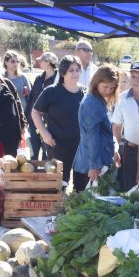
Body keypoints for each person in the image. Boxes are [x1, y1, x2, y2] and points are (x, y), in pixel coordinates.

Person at [32, 56, 87, 190]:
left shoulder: (85, 92)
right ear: (63, 72)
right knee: (58, 184)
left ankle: (77, 209)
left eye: (77, 70)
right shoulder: (51, 91)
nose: (75, 74)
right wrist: (44, 134)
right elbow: (35, 112)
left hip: (81, 146)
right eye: (71, 70)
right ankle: (57, 210)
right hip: (58, 145)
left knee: (81, 186)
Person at [111, 61, 139, 191]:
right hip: (129, 150)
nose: (136, 80)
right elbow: (117, 127)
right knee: (129, 187)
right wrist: (116, 149)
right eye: (133, 76)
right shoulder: (122, 98)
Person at [73, 65, 120, 192]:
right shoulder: (92, 103)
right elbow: (92, 136)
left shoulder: (98, 100)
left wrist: (114, 149)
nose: (109, 91)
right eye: (105, 87)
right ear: (96, 82)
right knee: (85, 206)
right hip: (90, 165)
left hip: (94, 160)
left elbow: (106, 133)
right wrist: (94, 165)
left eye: (112, 88)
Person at [24, 52, 58, 160]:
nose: (39, 62)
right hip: (34, 120)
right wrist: (27, 115)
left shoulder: (59, 80)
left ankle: (45, 175)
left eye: (42, 60)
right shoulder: (38, 78)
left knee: (47, 151)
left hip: (50, 121)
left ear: (48, 62)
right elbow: (31, 98)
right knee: (33, 149)